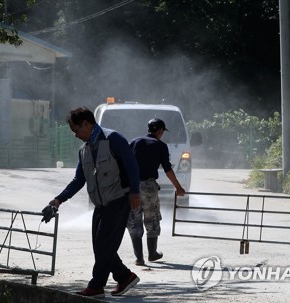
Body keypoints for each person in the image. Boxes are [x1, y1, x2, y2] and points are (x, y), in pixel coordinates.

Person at [42, 106, 141, 298]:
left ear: (86, 124)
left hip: (118, 200)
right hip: (101, 205)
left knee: (104, 245)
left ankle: (96, 286)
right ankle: (124, 277)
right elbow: (79, 180)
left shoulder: (113, 139)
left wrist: (135, 192)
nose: (75, 135)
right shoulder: (84, 150)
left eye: (76, 130)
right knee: (101, 246)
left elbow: (132, 166)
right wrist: (58, 200)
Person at [127, 118, 186, 266]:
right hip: (148, 187)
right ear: (160, 131)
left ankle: (139, 258)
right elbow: (167, 169)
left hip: (132, 187)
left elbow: (125, 163)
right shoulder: (160, 146)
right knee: (151, 219)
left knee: (134, 221)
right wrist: (178, 188)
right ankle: (152, 254)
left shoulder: (135, 142)